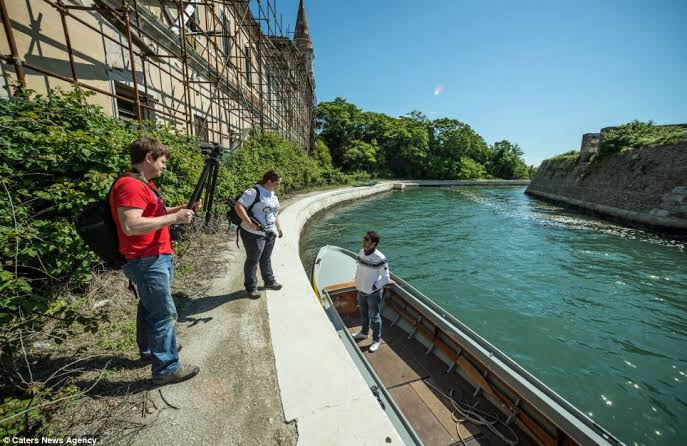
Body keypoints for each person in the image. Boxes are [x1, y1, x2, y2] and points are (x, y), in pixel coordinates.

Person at [110, 137, 200, 385]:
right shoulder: (131, 185)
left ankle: (150, 350)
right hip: (146, 259)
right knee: (163, 313)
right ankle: (166, 369)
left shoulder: (143, 184)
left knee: (148, 307)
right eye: (162, 161)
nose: (164, 166)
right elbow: (131, 225)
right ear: (149, 158)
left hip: (153, 257)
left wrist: (179, 210)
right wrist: (175, 219)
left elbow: (152, 214)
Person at [234, 170, 284, 299]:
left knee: (266, 257)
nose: (278, 186)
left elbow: (274, 212)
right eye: (277, 183)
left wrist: (278, 227)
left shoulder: (272, 193)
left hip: (269, 232)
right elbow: (238, 206)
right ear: (269, 181)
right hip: (253, 233)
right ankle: (251, 287)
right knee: (253, 259)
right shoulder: (253, 192)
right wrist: (249, 223)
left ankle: (269, 281)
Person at [352, 231, 390, 353]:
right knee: (363, 313)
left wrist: (374, 287)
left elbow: (386, 278)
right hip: (361, 290)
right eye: (364, 238)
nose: (363, 241)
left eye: (366, 240)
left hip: (373, 294)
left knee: (375, 316)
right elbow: (359, 268)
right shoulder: (361, 252)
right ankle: (364, 333)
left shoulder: (380, 258)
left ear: (373, 244)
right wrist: (357, 282)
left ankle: (376, 341)